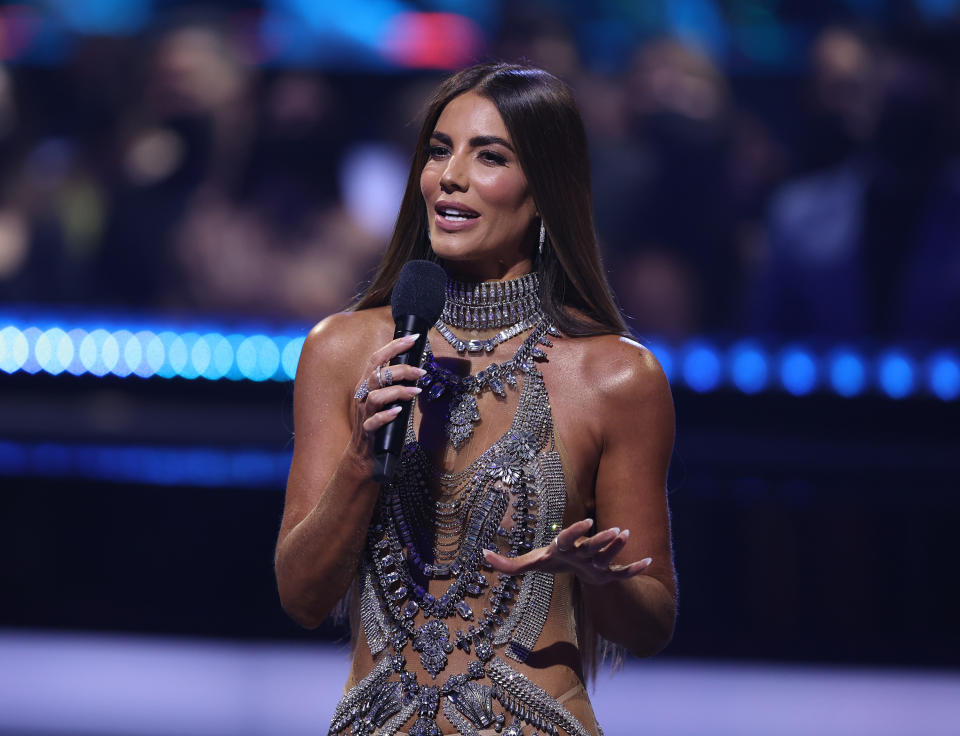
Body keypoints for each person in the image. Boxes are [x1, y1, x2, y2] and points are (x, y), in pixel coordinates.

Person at [274, 62, 676, 736]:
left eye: (489, 156)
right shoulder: (343, 351)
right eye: (439, 150)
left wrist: (598, 575)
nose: (449, 176)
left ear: (545, 189)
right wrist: (359, 460)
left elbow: (651, 623)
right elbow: (302, 595)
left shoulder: (616, 377)